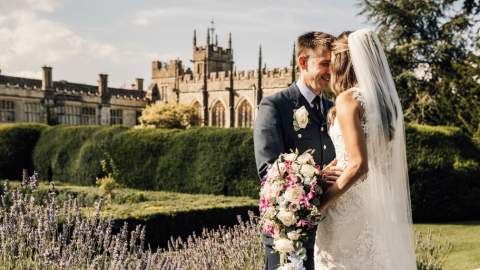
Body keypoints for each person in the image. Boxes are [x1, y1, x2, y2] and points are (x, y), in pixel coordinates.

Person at [313, 29, 416, 270]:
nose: (329, 68)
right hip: (375, 208)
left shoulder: (348, 100)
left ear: (343, 61)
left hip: (345, 208)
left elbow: (359, 165)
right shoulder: (385, 104)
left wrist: (320, 204)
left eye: (332, 60)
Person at [253, 31, 342, 270]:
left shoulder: (334, 108)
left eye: (333, 64)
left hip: (330, 232)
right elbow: (269, 171)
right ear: (303, 62)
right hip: (289, 231)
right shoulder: (275, 105)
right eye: (324, 63)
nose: (331, 71)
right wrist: (320, 178)